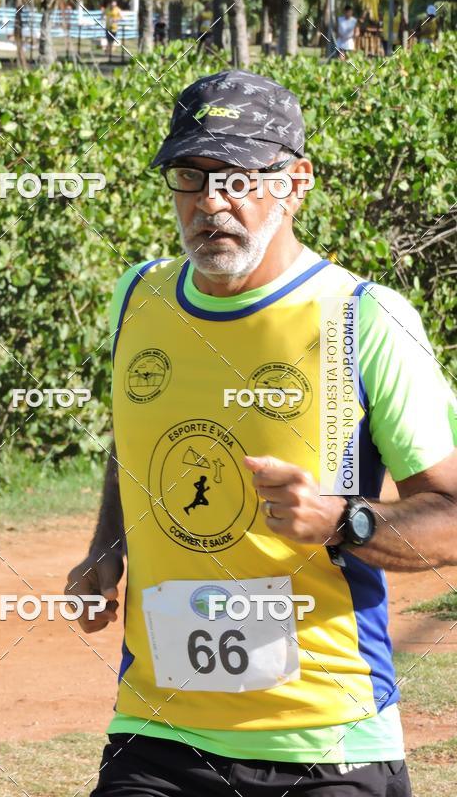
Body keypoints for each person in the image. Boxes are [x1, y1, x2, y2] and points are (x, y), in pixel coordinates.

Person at [67, 69, 457, 796]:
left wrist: (345, 521)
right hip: (157, 734)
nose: (212, 203)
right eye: (191, 176)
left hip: (327, 742)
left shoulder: (364, 319)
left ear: (296, 181)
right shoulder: (138, 297)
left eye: (241, 177)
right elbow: (136, 440)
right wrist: (106, 550)